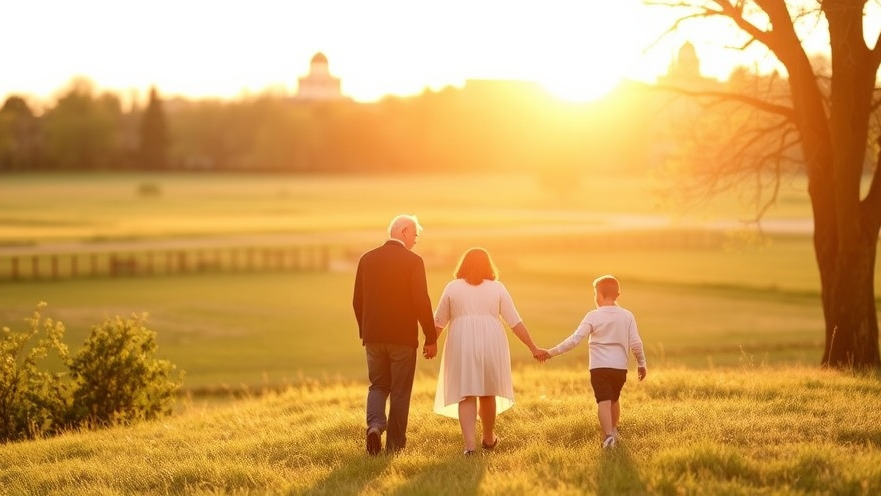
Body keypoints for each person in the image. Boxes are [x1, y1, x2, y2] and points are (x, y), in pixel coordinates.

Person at [432, 247, 543, 455]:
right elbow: (515, 322)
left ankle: (469, 447)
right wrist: (533, 347)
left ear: (463, 265)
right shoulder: (497, 288)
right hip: (491, 341)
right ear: (488, 266)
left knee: (466, 394)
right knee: (487, 392)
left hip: (461, 341)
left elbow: (439, 322)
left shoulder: (452, 287)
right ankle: (489, 437)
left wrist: (431, 343)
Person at [353, 214, 438, 456]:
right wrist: (430, 337)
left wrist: (365, 331)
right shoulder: (413, 261)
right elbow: (421, 301)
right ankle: (395, 446)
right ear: (404, 231)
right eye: (415, 235)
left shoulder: (366, 259)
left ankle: (375, 426)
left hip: (373, 337)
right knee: (400, 391)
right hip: (402, 339)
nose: (415, 241)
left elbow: (357, 301)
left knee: (378, 385)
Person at [535, 275, 647, 450]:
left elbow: (574, 340)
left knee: (603, 400)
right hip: (620, 368)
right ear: (618, 294)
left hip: (599, 367)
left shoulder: (593, 316)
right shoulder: (627, 316)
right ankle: (614, 430)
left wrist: (550, 353)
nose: (595, 297)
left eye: (595, 293)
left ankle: (608, 436)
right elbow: (636, 343)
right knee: (614, 399)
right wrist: (641, 363)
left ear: (600, 295)